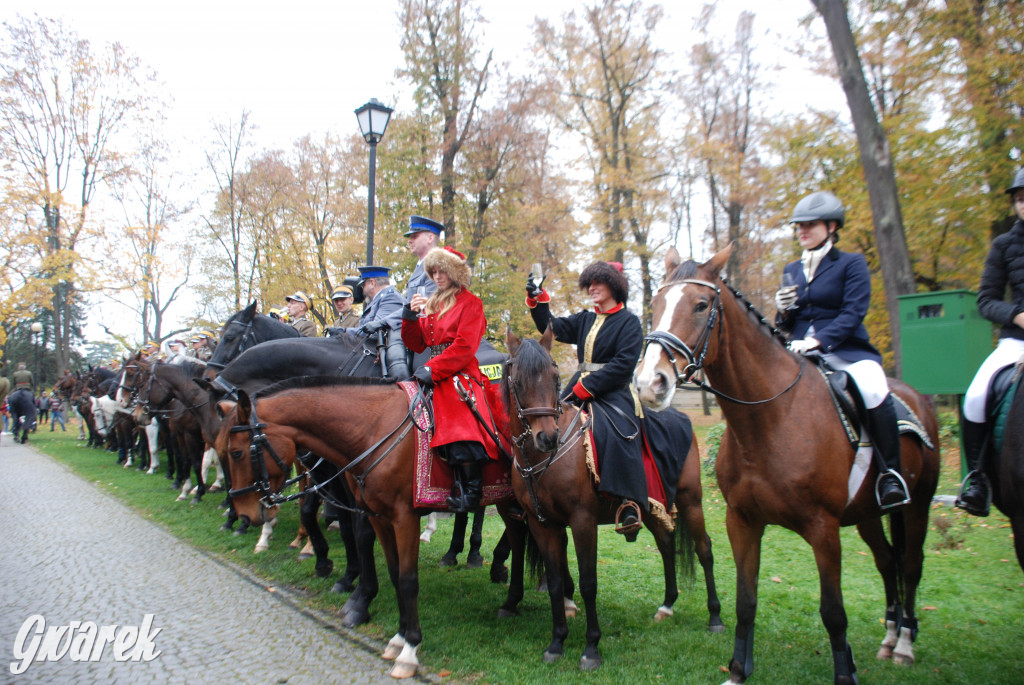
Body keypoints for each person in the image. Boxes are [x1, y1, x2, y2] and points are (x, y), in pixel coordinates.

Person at [774, 190, 910, 510]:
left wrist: (820, 340)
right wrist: (782, 312)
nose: (802, 231)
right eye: (798, 226)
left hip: (846, 350)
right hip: (797, 352)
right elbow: (788, 321)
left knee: (875, 389)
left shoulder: (852, 264)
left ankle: (891, 473)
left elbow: (853, 313)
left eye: (810, 224)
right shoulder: (792, 268)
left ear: (832, 226)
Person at [525, 260, 648, 540]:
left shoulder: (629, 322)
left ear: (614, 285)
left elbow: (622, 366)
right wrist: (537, 299)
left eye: (598, 283)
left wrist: (586, 388)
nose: (591, 288)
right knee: (547, 421)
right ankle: (537, 493)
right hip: (578, 386)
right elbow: (550, 327)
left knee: (619, 432)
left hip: (614, 391)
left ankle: (627, 503)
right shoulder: (584, 318)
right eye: (589, 283)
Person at [402, 246, 499, 512]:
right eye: (432, 271)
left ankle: (472, 491)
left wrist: (433, 370)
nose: (436, 276)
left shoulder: (472, 303)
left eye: (441, 270)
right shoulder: (433, 303)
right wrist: (409, 316)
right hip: (435, 369)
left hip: (461, 373)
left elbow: (465, 347)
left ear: (455, 271)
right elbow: (417, 343)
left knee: (459, 418)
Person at [956, 168, 1024, 517]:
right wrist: (1016, 316)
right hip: (1017, 342)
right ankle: (978, 480)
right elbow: (986, 300)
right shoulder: (1004, 245)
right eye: (1020, 198)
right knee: (976, 396)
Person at [404, 215, 443, 302]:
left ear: (430, 238)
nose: (410, 240)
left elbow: (425, 307)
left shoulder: (436, 267)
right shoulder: (420, 266)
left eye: (414, 236)